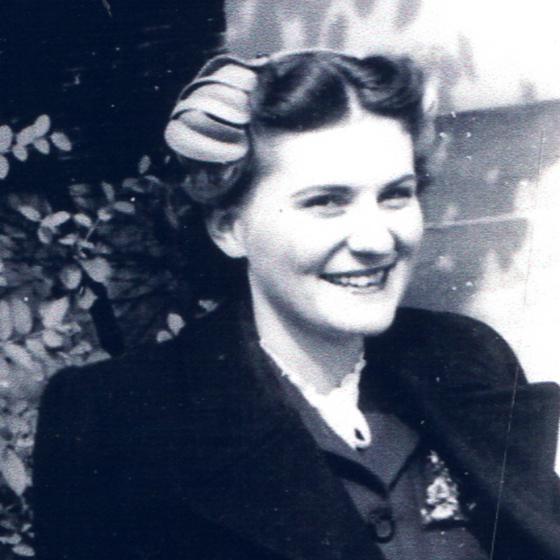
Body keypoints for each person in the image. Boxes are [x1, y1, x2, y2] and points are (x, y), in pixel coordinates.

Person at [32, 50, 560, 560]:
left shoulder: (467, 358)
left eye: (396, 194)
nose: (376, 239)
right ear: (229, 226)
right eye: (326, 202)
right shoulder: (117, 419)